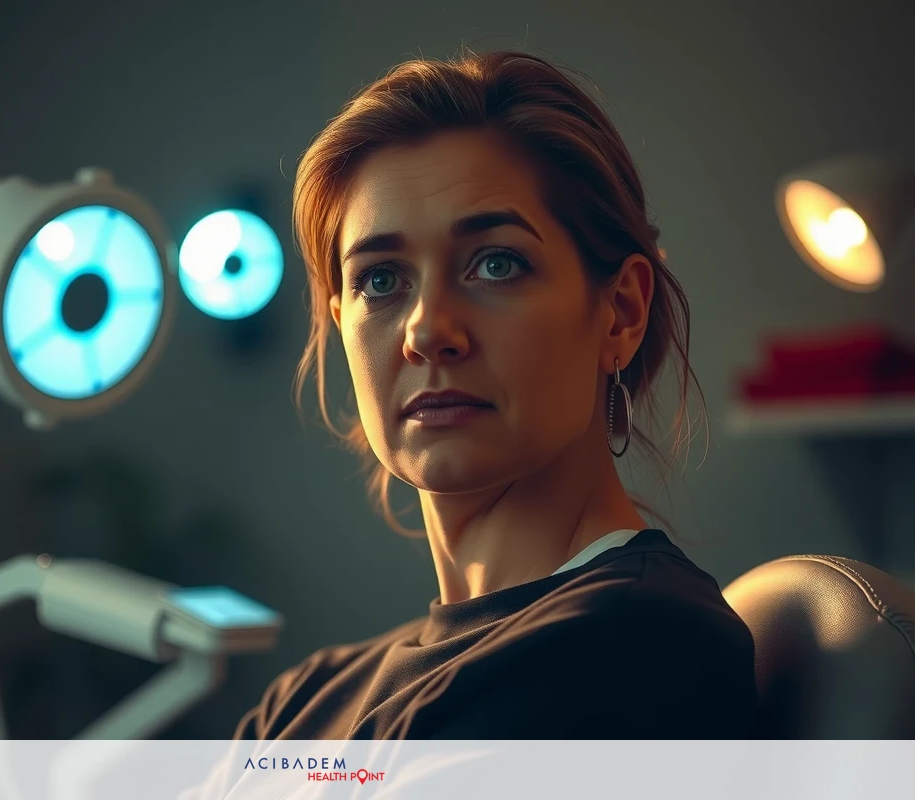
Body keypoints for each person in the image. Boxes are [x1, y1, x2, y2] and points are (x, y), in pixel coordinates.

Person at [234, 49, 757, 740]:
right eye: (381, 280)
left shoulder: (639, 646)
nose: (426, 331)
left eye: (496, 263)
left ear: (622, 312)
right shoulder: (308, 697)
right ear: (341, 324)